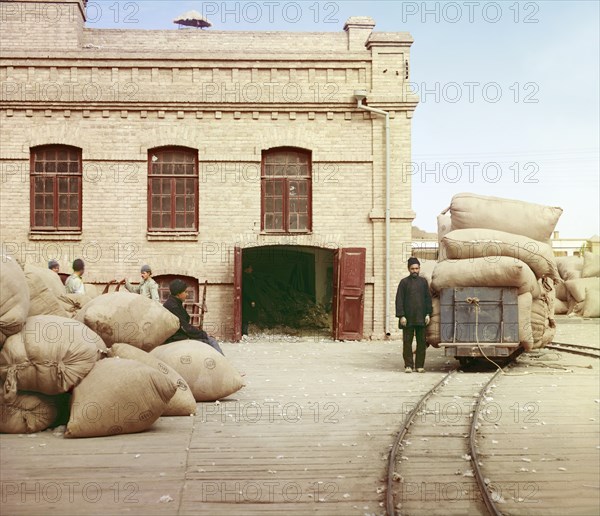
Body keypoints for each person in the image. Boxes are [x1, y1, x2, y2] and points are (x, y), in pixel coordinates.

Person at [163, 279, 224, 355]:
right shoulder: (173, 306)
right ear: (178, 294)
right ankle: (223, 363)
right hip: (177, 338)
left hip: (178, 336)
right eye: (185, 292)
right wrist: (203, 334)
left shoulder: (173, 303)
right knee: (212, 341)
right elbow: (185, 328)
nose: (187, 294)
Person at [395, 257, 432, 373]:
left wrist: (428, 314)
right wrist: (401, 316)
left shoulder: (423, 282)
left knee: (421, 343)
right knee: (407, 343)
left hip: (421, 318)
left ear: (419, 268)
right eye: (412, 269)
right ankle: (408, 366)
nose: (414, 271)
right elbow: (399, 300)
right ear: (408, 269)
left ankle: (420, 366)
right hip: (408, 319)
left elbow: (428, 299)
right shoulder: (404, 282)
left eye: (416, 268)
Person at [242, 264, 258, 336]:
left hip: (246, 299)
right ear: (247, 269)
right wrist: (251, 300)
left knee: (246, 315)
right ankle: (244, 332)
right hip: (246, 300)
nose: (252, 270)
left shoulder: (246, 277)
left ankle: (244, 332)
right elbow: (247, 290)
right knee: (245, 316)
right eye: (250, 268)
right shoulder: (246, 278)